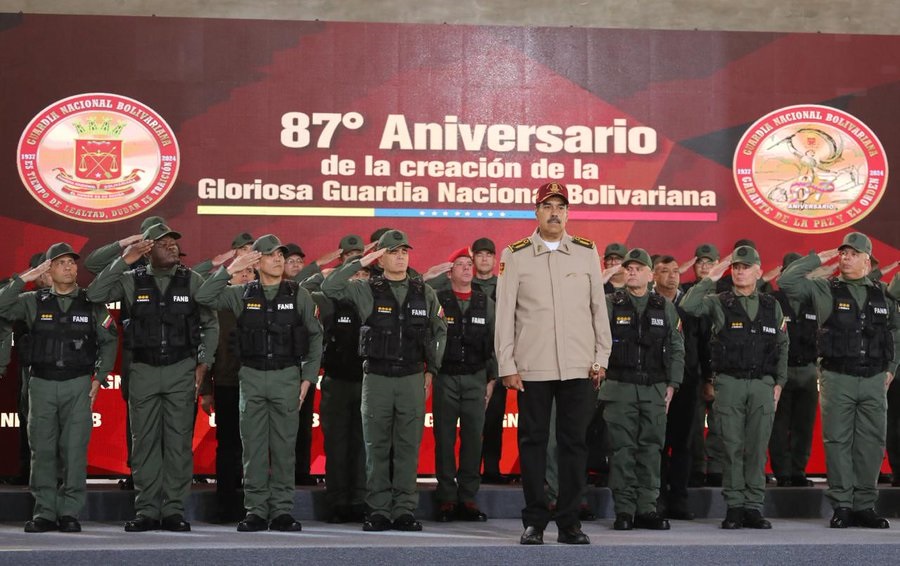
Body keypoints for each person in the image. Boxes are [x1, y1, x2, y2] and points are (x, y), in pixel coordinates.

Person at [495, 181, 612, 545]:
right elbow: (505, 314)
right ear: (536, 212)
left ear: (568, 213)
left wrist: (601, 357)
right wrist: (506, 364)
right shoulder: (515, 255)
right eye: (548, 206)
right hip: (533, 366)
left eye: (561, 207)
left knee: (574, 444)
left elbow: (598, 308)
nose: (554, 213)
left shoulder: (586, 252)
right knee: (532, 443)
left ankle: (569, 523)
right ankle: (534, 521)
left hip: (579, 364)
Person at [87, 223, 219, 533]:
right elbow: (95, 293)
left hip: (180, 369)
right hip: (143, 369)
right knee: (144, 442)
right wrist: (126, 257)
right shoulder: (131, 280)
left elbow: (210, 324)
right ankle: (146, 510)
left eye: (174, 242)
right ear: (147, 250)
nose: (172, 246)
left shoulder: (192, 280)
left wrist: (204, 363)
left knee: (177, 443)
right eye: (163, 243)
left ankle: (173, 510)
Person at [196, 234, 323, 532]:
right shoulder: (240, 293)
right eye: (270, 254)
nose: (278, 259)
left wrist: (308, 378)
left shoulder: (299, 294)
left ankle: (281, 511)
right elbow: (203, 296)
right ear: (256, 261)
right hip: (251, 377)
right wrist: (231, 268)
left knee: (283, 448)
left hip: (287, 376)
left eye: (280, 254)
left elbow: (316, 336)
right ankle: (255, 510)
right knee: (252, 447)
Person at [322, 229, 447, 532]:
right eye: (393, 252)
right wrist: (362, 261)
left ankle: (404, 509)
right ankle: (377, 509)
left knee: (407, 447)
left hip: (411, 378)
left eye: (404, 251)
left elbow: (439, 330)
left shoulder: (423, 291)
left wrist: (432, 369)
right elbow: (329, 286)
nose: (401, 257)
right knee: (375, 447)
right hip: (377, 378)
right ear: (380, 258)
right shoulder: (366, 289)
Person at [778, 232, 899, 529]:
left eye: (853, 254)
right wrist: (818, 258)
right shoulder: (825, 288)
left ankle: (865, 505)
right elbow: (787, 281)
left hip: (874, 378)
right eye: (843, 253)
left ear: (867, 261)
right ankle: (843, 505)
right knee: (837, 442)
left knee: (872, 443)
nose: (846, 258)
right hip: (837, 377)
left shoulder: (882, 293)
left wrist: (892, 367)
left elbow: (895, 330)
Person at [0, 243, 117, 533]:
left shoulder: (90, 302)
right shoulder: (32, 300)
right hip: (41, 384)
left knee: (74, 450)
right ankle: (44, 512)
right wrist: (26, 277)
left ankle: (69, 512)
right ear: (48, 270)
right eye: (61, 262)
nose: (69, 267)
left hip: (78, 385)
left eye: (72, 262)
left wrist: (100, 377)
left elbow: (109, 340)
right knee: (42, 450)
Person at [680, 245, 787, 530]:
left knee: (757, 447)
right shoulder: (718, 301)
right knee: (731, 447)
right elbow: (688, 306)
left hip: (762, 383)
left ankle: (753, 506)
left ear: (758, 271)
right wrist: (711, 278)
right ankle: (735, 506)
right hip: (729, 383)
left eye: (745, 267)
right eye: (736, 267)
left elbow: (782, 344)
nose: (739, 272)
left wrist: (779, 382)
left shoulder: (771, 305)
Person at [602, 249, 684, 531]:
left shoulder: (665, 306)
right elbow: (596, 340)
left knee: (651, 449)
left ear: (651, 275)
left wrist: (673, 383)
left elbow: (676, 347)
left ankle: (647, 508)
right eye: (629, 268)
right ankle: (624, 510)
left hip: (654, 388)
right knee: (622, 450)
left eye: (638, 268)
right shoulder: (611, 303)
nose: (632, 272)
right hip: (619, 388)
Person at [84, 215, 165, 491]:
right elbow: (92, 265)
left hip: (169, 348)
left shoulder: (170, 263)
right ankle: (137, 470)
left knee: (170, 415)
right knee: (137, 411)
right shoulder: (131, 264)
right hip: (136, 347)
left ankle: (168, 472)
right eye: (150, 237)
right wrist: (126, 245)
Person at [433, 247, 495, 522]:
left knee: (473, 439)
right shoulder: (438, 299)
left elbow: (495, 342)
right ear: (450, 272)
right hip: (445, 376)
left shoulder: (485, 302)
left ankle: (468, 497)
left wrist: (492, 380)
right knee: (444, 438)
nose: (467, 268)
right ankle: (447, 497)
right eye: (460, 264)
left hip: (476, 377)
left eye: (469, 264)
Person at [312, 243, 370, 523]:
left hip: (368, 384)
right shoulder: (328, 300)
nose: (358, 279)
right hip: (336, 383)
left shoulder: (375, 302)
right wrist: (327, 271)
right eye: (353, 274)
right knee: (336, 446)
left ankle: (359, 500)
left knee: (362, 447)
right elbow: (307, 286)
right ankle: (337, 502)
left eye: (363, 274)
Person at [197, 263, 256, 522]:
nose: (245, 275)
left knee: (254, 445)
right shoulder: (218, 305)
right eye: (240, 271)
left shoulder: (263, 302)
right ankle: (226, 503)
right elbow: (207, 349)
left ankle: (253, 504)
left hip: (258, 384)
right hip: (226, 383)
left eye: (250, 271)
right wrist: (206, 390)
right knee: (228, 445)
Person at [653, 254, 700, 520]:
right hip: (656, 381)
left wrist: (708, 379)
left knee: (683, 443)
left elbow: (703, 342)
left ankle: (679, 499)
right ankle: (657, 498)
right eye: (664, 271)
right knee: (656, 442)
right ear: (653, 275)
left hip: (688, 381)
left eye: (675, 271)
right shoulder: (649, 303)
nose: (671, 276)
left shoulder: (690, 304)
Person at [769, 252, 819, 487]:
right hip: (782, 371)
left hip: (808, 369)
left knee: (804, 425)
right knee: (779, 425)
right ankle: (782, 472)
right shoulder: (772, 300)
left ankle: (798, 470)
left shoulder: (814, 301)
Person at [682, 243, 723, 488]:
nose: (705, 266)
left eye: (710, 262)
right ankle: (697, 467)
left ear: (719, 264)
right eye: (700, 262)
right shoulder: (687, 293)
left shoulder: (728, 292)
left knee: (721, 422)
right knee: (694, 424)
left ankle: (716, 468)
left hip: (723, 367)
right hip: (695, 368)